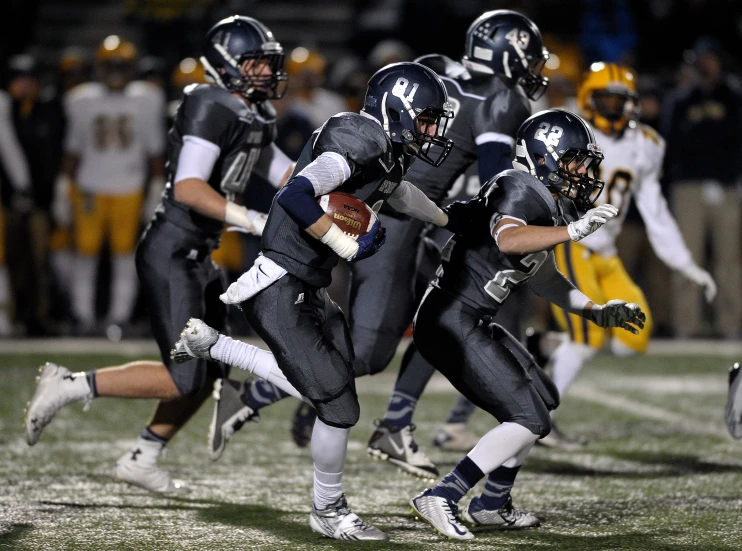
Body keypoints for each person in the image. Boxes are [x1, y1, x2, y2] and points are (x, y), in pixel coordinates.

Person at [229, 9, 553, 476]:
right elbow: (496, 182)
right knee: (372, 351)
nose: (534, 71)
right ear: (510, 54)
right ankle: (261, 392)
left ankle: (395, 422)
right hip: (391, 220)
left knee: (442, 315)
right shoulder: (504, 97)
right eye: (530, 58)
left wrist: (448, 216)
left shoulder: (435, 67)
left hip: (409, 214)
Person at [176, 61, 466, 541]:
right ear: (400, 109)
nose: (433, 130)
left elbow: (397, 191)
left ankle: (216, 347)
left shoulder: (385, 148)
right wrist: (346, 244)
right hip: (280, 284)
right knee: (338, 405)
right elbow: (296, 193)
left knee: (335, 378)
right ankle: (327, 510)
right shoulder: (361, 137)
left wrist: (445, 218)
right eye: (428, 118)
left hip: (309, 285)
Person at [24, 15, 295, 494]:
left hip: (199, 253)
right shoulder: (209, 103)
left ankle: (142, 457)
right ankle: (71, 385)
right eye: (255, 63)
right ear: (225, 65)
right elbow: (190, 187)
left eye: (267, 63)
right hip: (173, 250)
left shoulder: (255, 114)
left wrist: (335, 192)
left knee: (211, 371)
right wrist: (253, 220)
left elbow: (286, 174)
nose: (266, 73)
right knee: (183, 377)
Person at [408, 108, 645, 539]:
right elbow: (508, 238)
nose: (583, 173)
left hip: (470, 318)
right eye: (575, 162)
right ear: (546, 157)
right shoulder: (519, 187)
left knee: (543, 399)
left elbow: (543, 277)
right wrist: (571, 233)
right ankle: (442, 494)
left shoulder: (541, 200)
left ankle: (493, 503)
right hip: (452, 319)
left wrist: (596, 310)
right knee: (528, 417)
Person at [538, 62, 716, 449]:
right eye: (607, 100)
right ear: (588, 100)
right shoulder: (567, 128)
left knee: (632, 335)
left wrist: (685, 263)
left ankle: (549, 345)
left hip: (605, 250)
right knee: (586, 341)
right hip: (571, 241)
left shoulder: (645, 145)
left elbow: (656, 212)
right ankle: (539, 422)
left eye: (622, 102)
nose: (614, 110)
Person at [54, 34, 167, 336]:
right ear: (99, 66)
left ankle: (118, 318)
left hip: (128, 188)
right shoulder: (81, 99)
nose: (116, 71)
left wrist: (156, 187)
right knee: (85, 254)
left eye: (121, 64)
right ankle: (82, 316)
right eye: (110, 64)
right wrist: (63, 186)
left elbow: (155, 151)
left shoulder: (146, 98)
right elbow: (72, 149)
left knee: (123, 255)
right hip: (90, 186)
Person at [663, 37, 742, 340]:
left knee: (729, 262)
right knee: (687, 259)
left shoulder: (733, 97)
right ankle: (686, 324)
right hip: (689, 188)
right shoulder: (683, 99)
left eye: (711, 58)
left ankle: (730, 324)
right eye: (702, 59)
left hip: (725, 189)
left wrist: (727, 175)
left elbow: (734, 141)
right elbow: (674, 143)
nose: (707, 64)